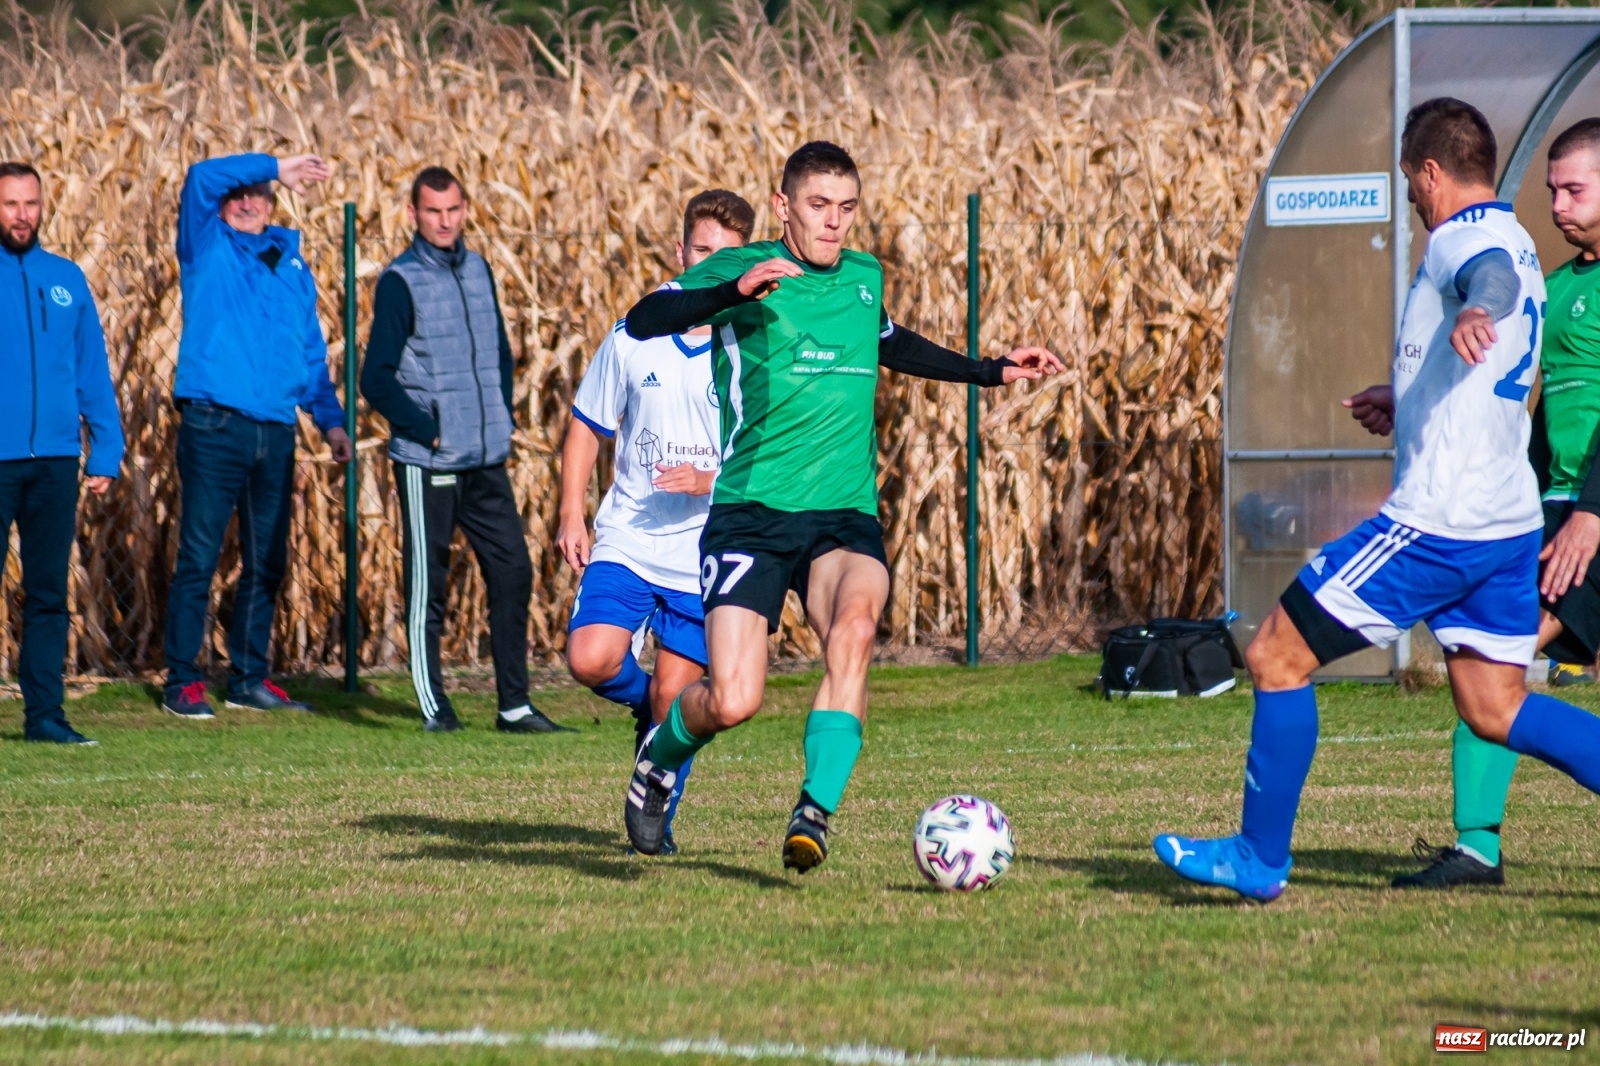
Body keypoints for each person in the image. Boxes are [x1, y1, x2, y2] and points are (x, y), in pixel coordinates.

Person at [1154, 98, 1600, 903]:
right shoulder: (1524, 241)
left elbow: (1488, 283)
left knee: (1275, 655)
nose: (1410, 197)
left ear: (1430, 172)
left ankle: (1258, 857)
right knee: (1495, 706)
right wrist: (1409, 395)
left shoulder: (1466, 240)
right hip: (1505, 522)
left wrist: (1477, 305)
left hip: (1440, 522)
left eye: (1408, 181)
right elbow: (1489, 355)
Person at [617, 141, 1062, 867]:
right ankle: (658, 762)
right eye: (818, 205)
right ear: (784, 205)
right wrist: (732, 293)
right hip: (752, 512)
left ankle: (814, 812)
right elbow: (643, 318)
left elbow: (890, 341)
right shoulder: (743, 267)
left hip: (842, 515)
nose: (834, 222)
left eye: (847, 207)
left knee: (853, 630)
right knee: (732, 700)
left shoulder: (862, 276)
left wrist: (989, 370)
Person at [1395, 116, 1600, 889]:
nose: (1557, 204)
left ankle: (1477, 846)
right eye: (1551, 189)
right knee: (1493, 665)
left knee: (1495, 667)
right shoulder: (1561, 285)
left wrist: (1592, 512)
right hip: (1558, 508)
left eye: (1574, 189)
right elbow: (1529, 405)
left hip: (1590, 517)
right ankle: (1477, 847)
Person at [559, 189, 756, 853]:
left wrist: (711, 480)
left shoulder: (753, 344)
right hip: (630, 537)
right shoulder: (636, 332)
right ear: (680, 252)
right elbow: (588, 425)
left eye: (727, 256)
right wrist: (570, 512)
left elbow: (775, 456)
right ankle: (643, 705)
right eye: (701, 250)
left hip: (707, 550)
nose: (712, 264)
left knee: (680, 704)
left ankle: (655, 821)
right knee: (590, 659)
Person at [361, 167, 568, 735]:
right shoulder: (400, 281)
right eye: (433, 211)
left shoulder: (478, 270)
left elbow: (498, 351)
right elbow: (375, 378)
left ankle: (514, 706)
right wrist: (428, 430)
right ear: (413, 215)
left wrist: (499, 415)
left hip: (484, 456)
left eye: (453, 209)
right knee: (428, 586)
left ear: (466, 209)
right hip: (429, 461)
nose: (444, 221)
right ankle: (437, 709)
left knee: (513, 570)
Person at [162, 152, 351, 720]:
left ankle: (248, 679)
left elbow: (309, 351)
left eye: (259, 194)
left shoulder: (290, 263)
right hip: (215, 424)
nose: (247, 203)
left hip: (276, 430)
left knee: (267, 559)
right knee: (200, 555)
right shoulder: (205, 246)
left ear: (273, 203)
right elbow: (200, 177)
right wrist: (274, 166)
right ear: (224, 204)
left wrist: (331, 420)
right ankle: (182, 681)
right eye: (239, 194)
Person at [0, 162, 125, 744]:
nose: (22, 215)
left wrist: (106, 448)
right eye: (10, 204)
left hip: (54, 461)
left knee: (49, 593)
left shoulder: (66, 278)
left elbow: (91, 370)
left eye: (31, 203)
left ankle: (46, 717)